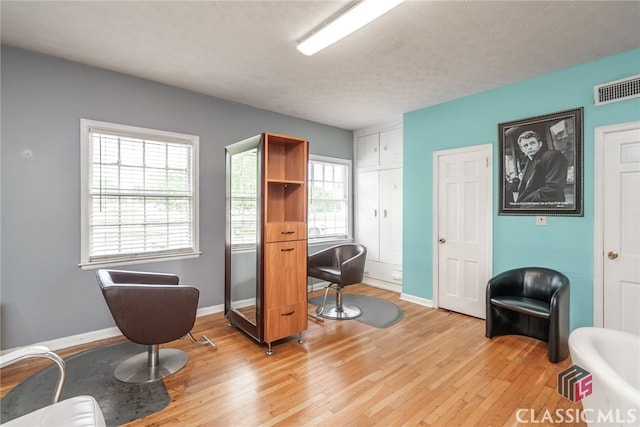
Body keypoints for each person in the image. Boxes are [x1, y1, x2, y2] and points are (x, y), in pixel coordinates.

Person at [510, 130, 568, 205]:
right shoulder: (529, 162)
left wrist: (525, 201)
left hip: (548, 206)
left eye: (532, 143)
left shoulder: (552, 156)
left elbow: (554, 188)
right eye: (525, 145)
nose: (529, 147)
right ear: (522, 150)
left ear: (540, 144)